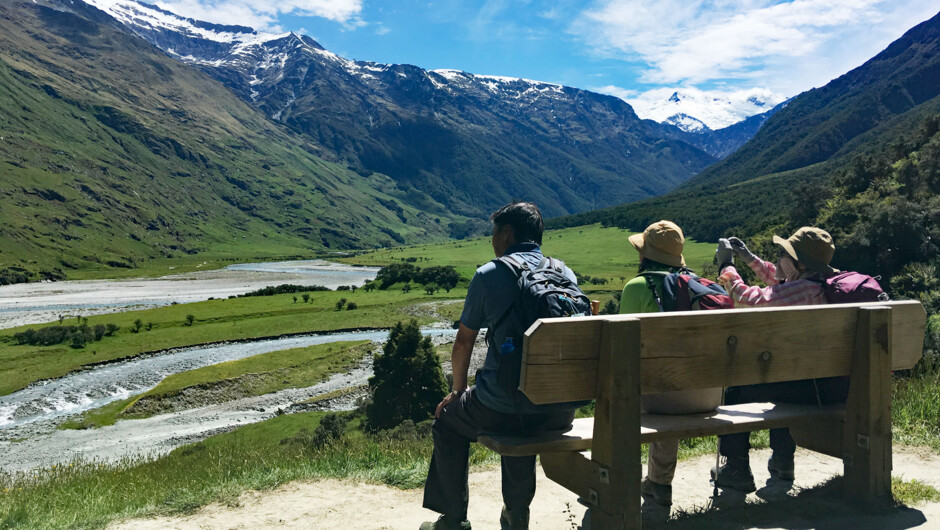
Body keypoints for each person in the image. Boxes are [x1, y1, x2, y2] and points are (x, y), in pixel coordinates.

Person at [420, 202, 581, 530]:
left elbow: (464, 341)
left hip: (506, 408)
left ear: (507, 234)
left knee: (449, 418)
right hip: (559, 409)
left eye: (494, 232)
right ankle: (516, 513)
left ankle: (452, 519)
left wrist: (457, 391)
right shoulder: (565, 273)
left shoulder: (490, 274)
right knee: (518, 406)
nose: (492, 240)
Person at [711, 227, 848, 492]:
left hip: (814, 390)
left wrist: (727, 265)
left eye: (782, 254)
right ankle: (783, 462)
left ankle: (736, 469)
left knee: (737, 391)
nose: (778, 259)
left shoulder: (806, 291)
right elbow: (783, 283)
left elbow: (750, 299)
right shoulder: (821, 282)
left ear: (798, 262)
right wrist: (750, 258)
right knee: (785, 380)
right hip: (829, 384)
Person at [619, 221, 722, 513]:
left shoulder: (637, 287)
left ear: (646, 254)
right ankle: (658, 482)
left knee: (628, 387)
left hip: (663, 398)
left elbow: (619, 351)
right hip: (710, 396)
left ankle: (624, 478)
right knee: (672, 380)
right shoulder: (700, 288)